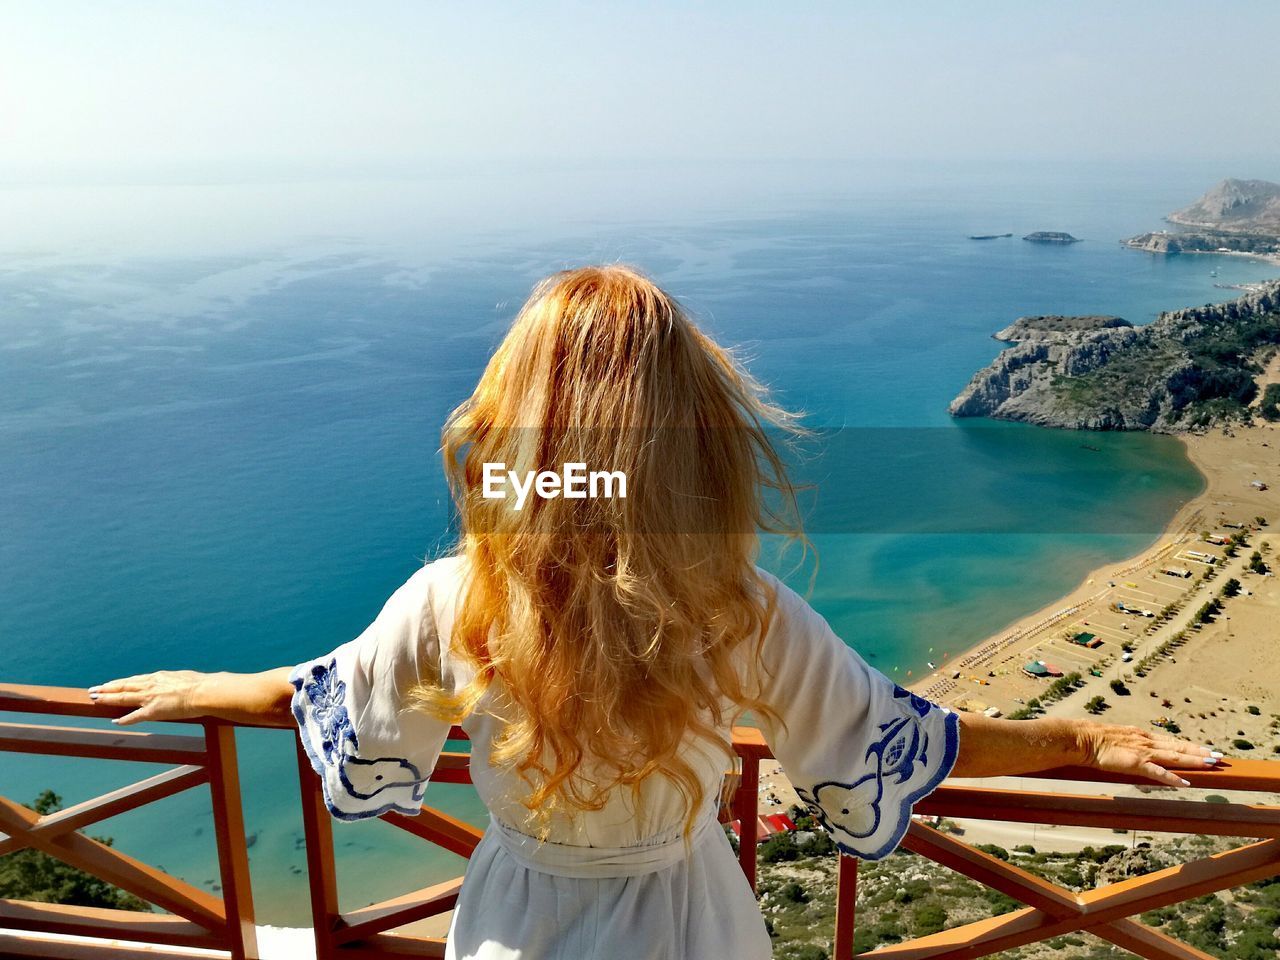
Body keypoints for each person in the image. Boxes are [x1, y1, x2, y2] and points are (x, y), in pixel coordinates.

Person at [90, 265, 1222, 959]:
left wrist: (209, 691)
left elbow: (334, 698)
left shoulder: (452, 600)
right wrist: (1079, 739)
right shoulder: (734, 609)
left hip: (517, 919)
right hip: (688, 922)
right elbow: (890, 737)